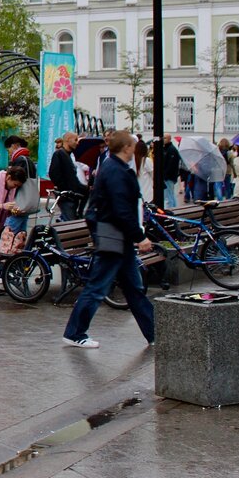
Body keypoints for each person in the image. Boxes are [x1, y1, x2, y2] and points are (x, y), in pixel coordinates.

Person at [63, 130, 155, 349]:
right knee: (98, 287)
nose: (135, 148)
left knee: (133, 288)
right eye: (133, 145)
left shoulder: (114, 167)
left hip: (116, 237)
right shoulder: (116, 171)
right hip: (114, 237)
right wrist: (139, 237)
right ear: (126, 148)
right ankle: (75, 332)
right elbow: (121, 209)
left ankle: (154, 333)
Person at [48, 132, 89, 221]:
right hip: (67, 196)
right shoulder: (60, 154)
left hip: (71, 195)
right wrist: (64, 189)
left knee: (71, 221)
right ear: (67, 140)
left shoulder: (67, 155)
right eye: (75, 140)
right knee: (70, 222)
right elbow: (53, 173)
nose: (77, 142)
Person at [160, 133, 181, 208]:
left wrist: (165, 176)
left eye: (165, 138)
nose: (163, 140)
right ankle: (175, 209)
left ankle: (171, 210)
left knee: (168, 196)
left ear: (169, 139)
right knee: (171, 195)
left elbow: (170, 165)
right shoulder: (166, 149)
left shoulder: (171, 150)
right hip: (168, 177)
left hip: (169, 177)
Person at [135, 139, 155, 205]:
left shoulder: (133, 161)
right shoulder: (146, 160)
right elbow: (153, 175)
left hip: (138, 193)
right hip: (148, 194)